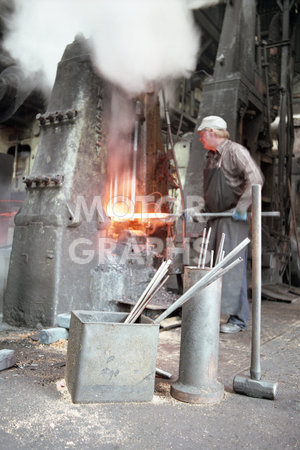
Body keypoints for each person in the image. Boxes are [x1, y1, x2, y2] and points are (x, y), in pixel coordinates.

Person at [197, 115, 264, 333]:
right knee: (213, 267)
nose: (200, 138)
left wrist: (242, 207)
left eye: (201, 133)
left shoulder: (235, 151)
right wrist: (198, 210)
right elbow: (212, 193)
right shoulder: (211, 156)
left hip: (232, 219)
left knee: (232, 266)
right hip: (216, 218)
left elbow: (255, 179)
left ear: (212, 132)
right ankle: (212, 312)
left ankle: (238, 319)